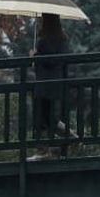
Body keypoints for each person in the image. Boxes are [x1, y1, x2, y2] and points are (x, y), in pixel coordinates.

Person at [31, 12, 73, 158]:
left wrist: (35, 56)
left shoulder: (43, 41)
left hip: (43, 84)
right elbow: (60, 61)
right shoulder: (63, 39)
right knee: (50, 117)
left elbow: (47, 61)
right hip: (57, 83)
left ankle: (43, 151)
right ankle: (71, 137)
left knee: (40, 118)